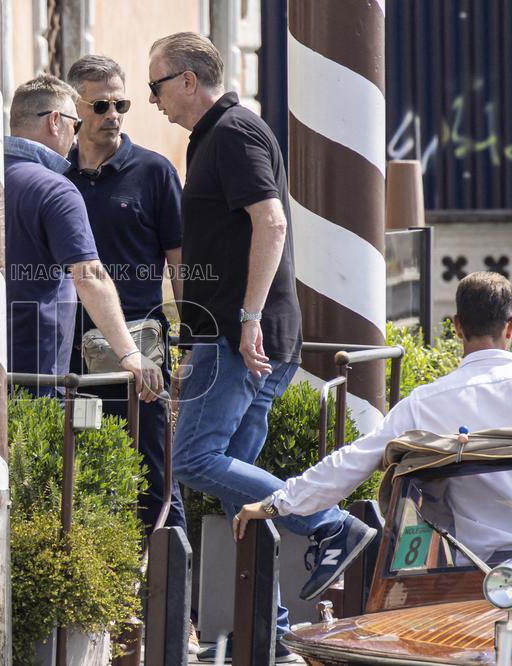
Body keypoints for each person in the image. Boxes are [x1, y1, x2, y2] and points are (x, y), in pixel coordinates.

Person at [147, 32, 374, 662]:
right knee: (237, 495)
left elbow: (269, 222)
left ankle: (329, 524)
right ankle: (269, 630)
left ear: (189, 80)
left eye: (156, 87)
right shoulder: (215, 137)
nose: (153, 102)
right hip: (231, 334)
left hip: (242, 336)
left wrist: (245, 322)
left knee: (192, 459)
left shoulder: (235, 132)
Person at [235, 272, 512, 562]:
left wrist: (276, 503)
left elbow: (354, 461)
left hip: (474, 576)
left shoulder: (426, 403)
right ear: (511, 327)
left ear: (457, 326)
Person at [64, 55, 186, 533]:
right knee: (81, 481)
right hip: (67, 355)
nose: (113, 114)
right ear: (75, 111)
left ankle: (174, 602)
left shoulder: (155, 173)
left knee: (155, 479)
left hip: (141, 352)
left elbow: (181, 265)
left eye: (121, 103)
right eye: (101, 105)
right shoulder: (56, 174)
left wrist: (191, 345)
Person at [5, 74, 163, 401]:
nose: (75, 139)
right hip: (34, 370)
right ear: (54, 121)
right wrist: (130, 354)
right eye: (75, 126)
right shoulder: (55, 188)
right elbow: (89, 277)